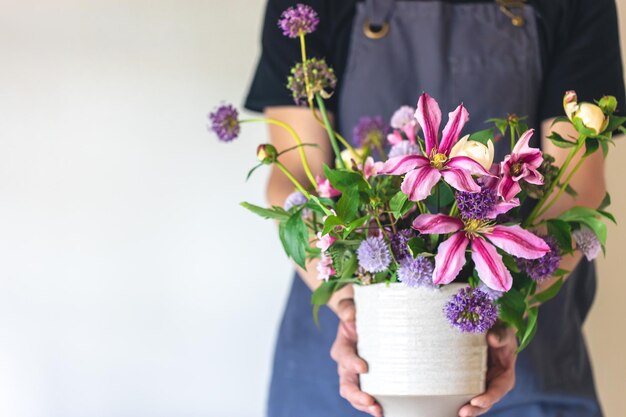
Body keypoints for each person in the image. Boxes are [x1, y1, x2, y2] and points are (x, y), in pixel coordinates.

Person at [244, 0, 625, 416]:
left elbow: (576, 185)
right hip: (348, 355)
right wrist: (352, 309)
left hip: (518, 356)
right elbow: (295, 172)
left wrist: (507, 314)